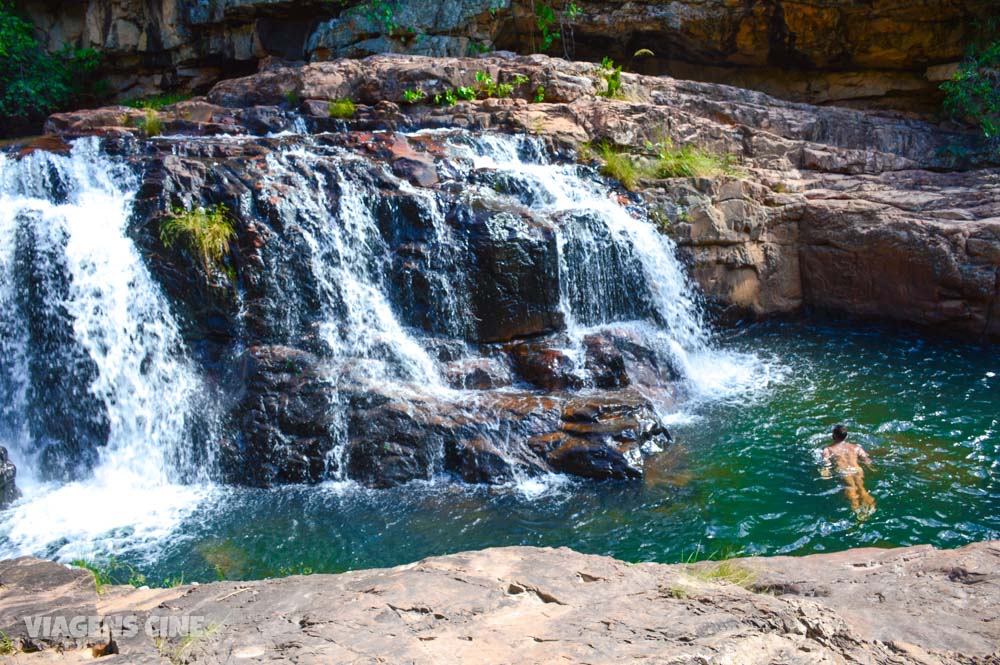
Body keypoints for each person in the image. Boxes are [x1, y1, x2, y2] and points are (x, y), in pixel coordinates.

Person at [821, 424, 875, 516]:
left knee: (851, 489)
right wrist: (871, 468)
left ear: (833, 436)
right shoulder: (856, 447)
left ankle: (857, 512)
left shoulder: (828, 449)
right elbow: (866, 459)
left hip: (844, 471)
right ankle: (871, 507)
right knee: (862, 489)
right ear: (846, 436)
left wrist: (825, 470)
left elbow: (826, 461)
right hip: (857, 470)